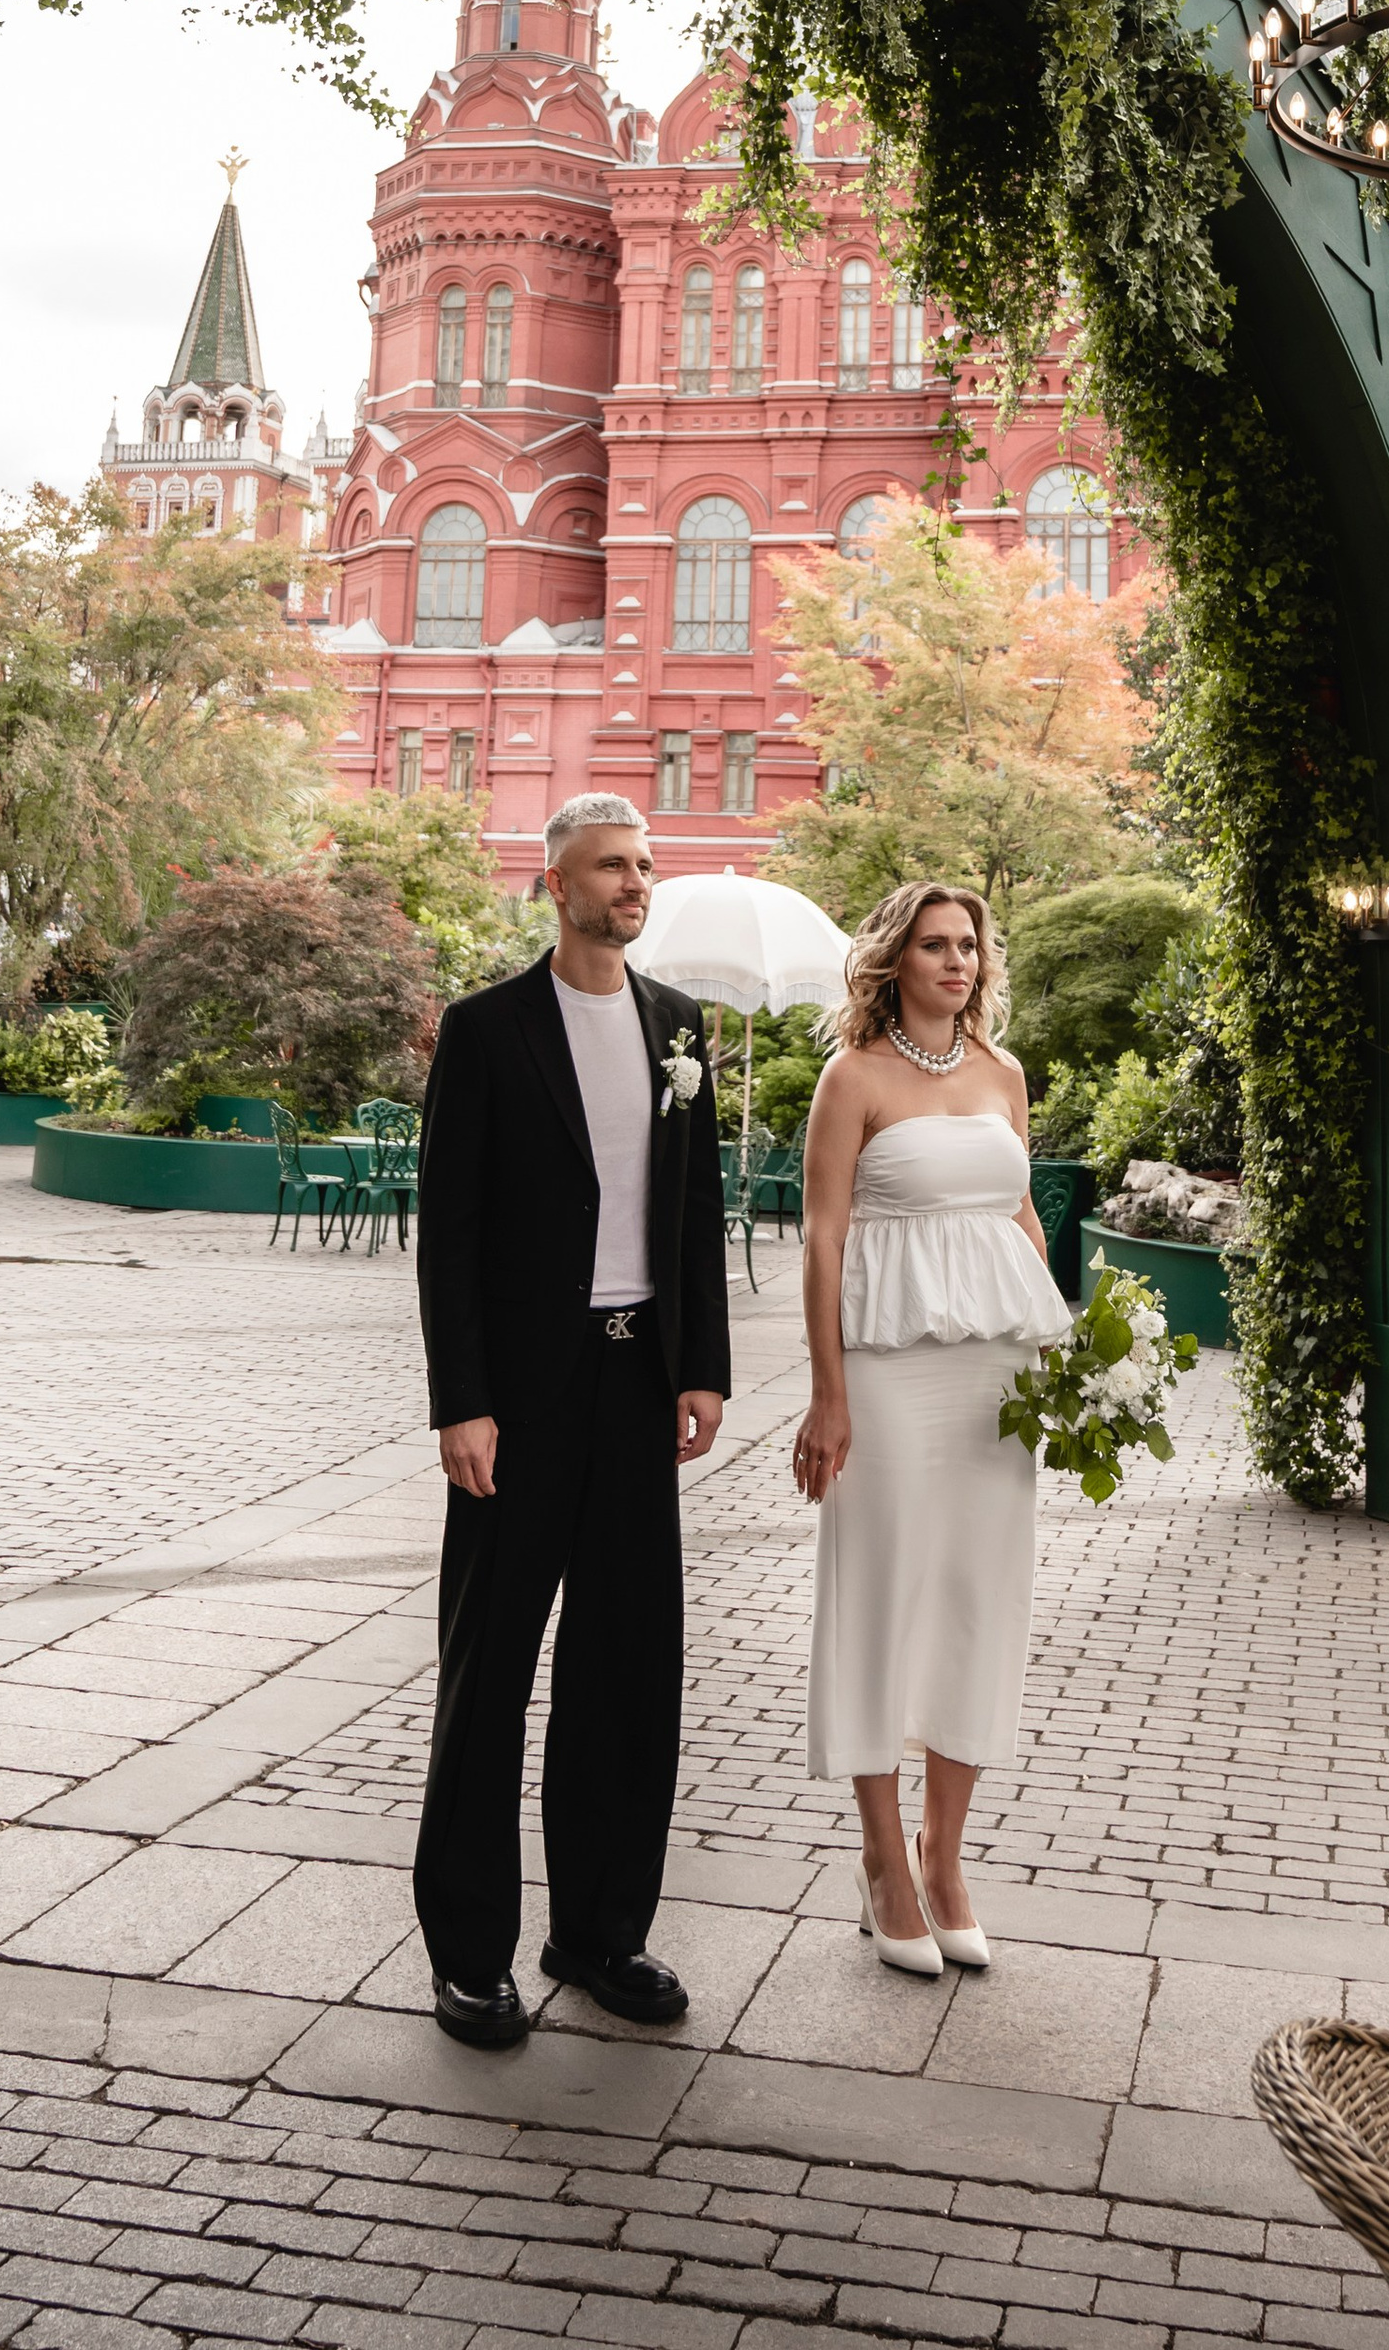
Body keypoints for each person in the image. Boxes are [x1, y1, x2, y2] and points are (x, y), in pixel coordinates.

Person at [413, 790, 729, 2048]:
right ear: (557, 883)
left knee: (626, 1667)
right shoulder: (486, 1027)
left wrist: (701, 1366)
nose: (633, 882)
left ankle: (599, 1931)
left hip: (638, 1385)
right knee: (489, 1672)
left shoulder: (678, 1025)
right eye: (609, 865)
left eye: (643, 864)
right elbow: (448, 1232)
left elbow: (693, 1205)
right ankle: (470, 1953)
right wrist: (463, 1400)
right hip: (520, 1402)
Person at [792, 880, 1070, 1975]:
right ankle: (880, 1861)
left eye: (968, 945)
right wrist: (828, 1394)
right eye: (934, 945)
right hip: (886, 1369)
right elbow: (824, 1239)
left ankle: (943, 1857)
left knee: (977, 1599)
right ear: (893, 960)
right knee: (882, 1593)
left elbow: (1021, 1213)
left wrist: (1067, 1356)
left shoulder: (1005, 1074)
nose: (957, 961)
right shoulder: (851, 1077)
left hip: (998, 1371)